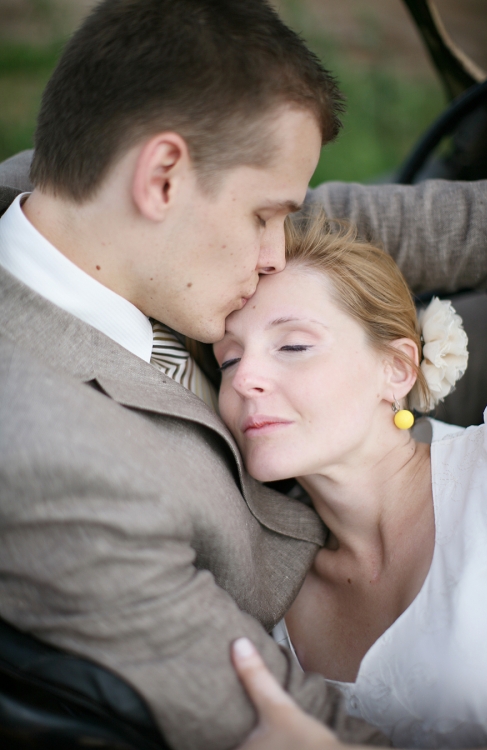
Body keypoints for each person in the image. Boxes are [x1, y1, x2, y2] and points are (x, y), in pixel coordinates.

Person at [0, 1, 374, 748]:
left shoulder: (57, 202)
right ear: (164, 177)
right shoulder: (54, 465)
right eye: (266, 216)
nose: (278, 256)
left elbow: (347, 222)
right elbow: (294, 720)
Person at [214, 212, 487, 748]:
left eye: (293, 345)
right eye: (228, 360)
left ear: (396, 368)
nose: (245, 379)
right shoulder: (266, 597)